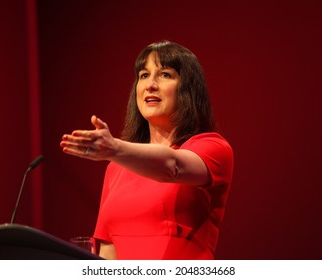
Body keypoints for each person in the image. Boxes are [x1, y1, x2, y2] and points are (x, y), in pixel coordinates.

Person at [60, 41, 234, 260]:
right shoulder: (116, 168)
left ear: (188, 89)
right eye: (143, 75)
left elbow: (172, 166)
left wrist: (114, 148)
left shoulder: (212, 148)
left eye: (165, 75)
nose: (150, 85)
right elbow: (107, 253)